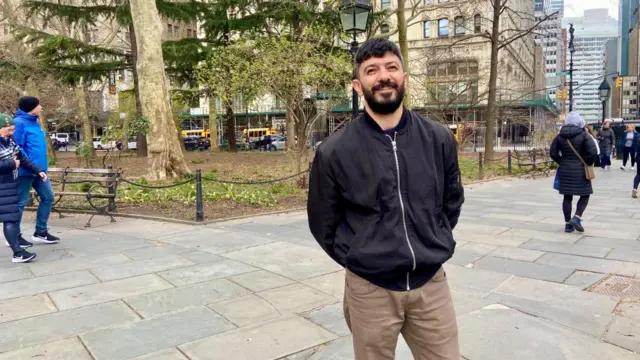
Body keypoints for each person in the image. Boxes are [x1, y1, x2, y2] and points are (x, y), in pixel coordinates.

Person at [307, 38, 464, 360]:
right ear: (357, 85)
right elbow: (324, 222)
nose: (383, 76)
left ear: (404, 78)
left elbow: (452, 200)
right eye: (371, 70)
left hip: (430, 283)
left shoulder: (438, 138)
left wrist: (433, 238)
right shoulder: (335, 151)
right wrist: (361, 256)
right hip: (370, 289)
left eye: (392, 67)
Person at [0, 114, 48, 263]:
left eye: (13, 129)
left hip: (8, 186)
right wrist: (12, 164)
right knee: (10, 219)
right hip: (3, 185)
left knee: (11, 219)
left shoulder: (10, 142)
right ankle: (18, 252)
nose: (12, 132)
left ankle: (18, 252)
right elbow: (13, 163)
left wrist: (37, 170)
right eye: (8, 129)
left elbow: (22, 158)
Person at [13, 97, 59, 245]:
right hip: (25, 172)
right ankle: (14, 235)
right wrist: (32, 166)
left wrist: (41, 168)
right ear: (30, 108)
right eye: (38, 105)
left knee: (48, 197)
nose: (41, 107)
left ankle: (41, 231)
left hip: (40, 172)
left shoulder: (36, 123)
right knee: (20, 203)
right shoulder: (18, 123)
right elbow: (17, 148)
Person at [550, 112, 598, 233]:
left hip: (565, 169)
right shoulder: (584, 135)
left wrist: (562, 161)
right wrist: (587, 162)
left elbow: (553, 153)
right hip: (581, 169)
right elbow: (592, 153)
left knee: (567, 196)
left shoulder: (559, 136)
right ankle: (576, 218)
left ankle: (567, 225)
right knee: (585, 194)